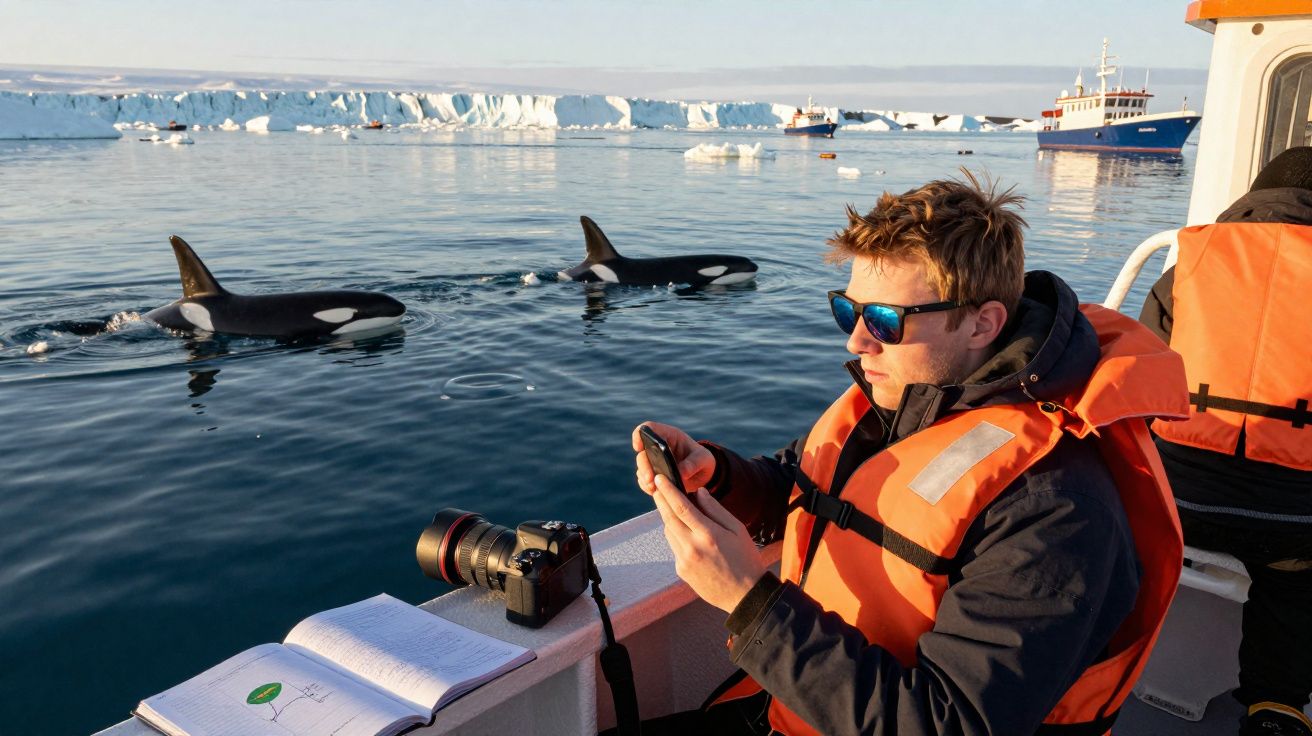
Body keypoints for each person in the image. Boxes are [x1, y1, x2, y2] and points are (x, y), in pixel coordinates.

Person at [628, 172, 1189, 736]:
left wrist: (749, 600)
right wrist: (721, 476)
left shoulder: (1059, 508)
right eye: (849, 312)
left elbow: (950, 723)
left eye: (884, 321)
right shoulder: (903, 396)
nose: (856, 342)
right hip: (799, 708)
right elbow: (807, 488)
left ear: (982, 323)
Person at [1139, 146, 1312, 736]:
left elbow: (1140, 377)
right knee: (1295, 581)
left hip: (1175, 502)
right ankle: (1277, 707)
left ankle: (1099, 665)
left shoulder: (1192, 261)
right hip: (1294, 523)